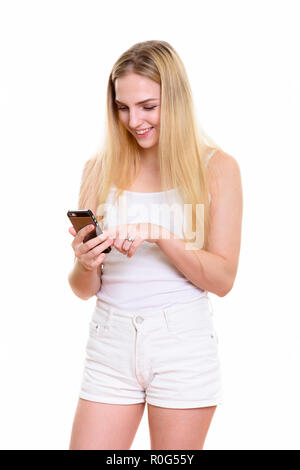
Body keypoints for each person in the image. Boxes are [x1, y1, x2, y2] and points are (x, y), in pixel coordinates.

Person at [67, 40, 243, 450]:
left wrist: (161, 235)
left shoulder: (217, 168)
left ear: (176, 100)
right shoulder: (97, 169)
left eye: (149, 106)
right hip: (109, 342)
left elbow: (223, 280)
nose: (134, 120)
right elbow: (81, 289)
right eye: (123, 107)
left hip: (181, 341)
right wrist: (86, 263)